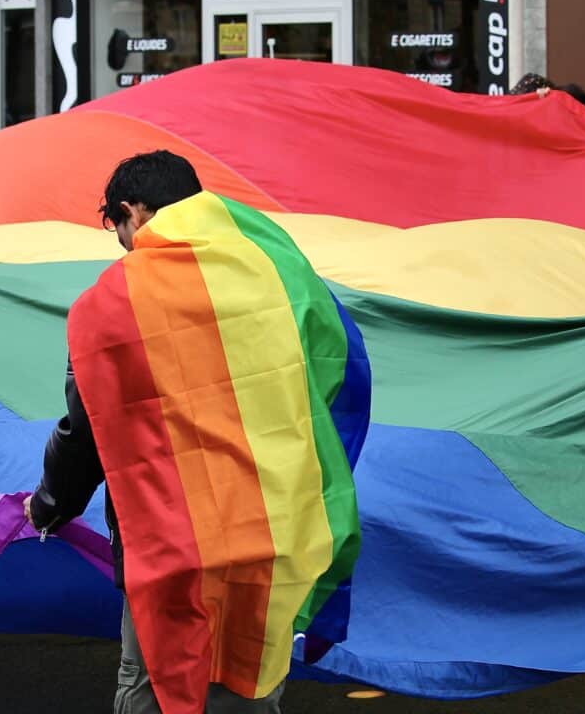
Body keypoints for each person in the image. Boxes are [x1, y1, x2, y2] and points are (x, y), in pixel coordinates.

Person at [26, 151, 367, 713]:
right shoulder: (274, 269)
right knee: (251, 681)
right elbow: (333, 362)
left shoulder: (113, 304)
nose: (124, 244)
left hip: (175, 540)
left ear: (133, 212)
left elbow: (88, 432)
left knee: (159, 682)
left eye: (117, 227)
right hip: (275, 525)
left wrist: (48, 505)